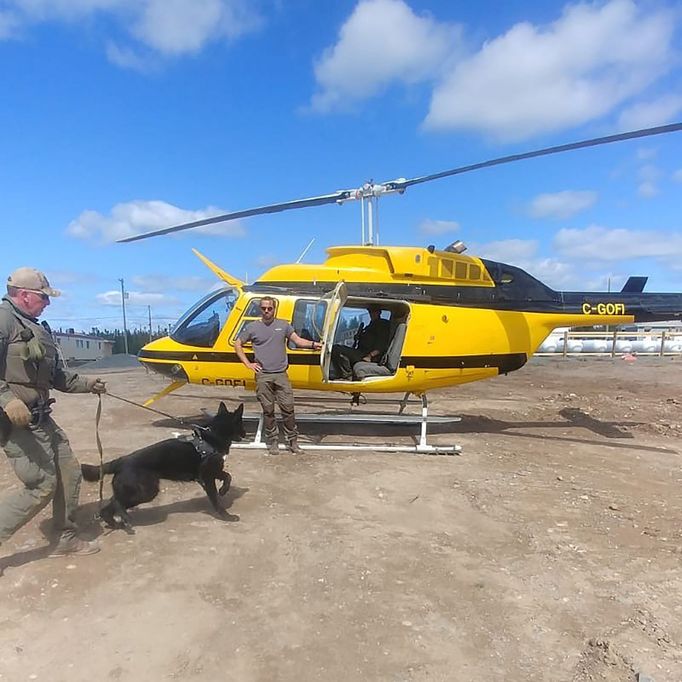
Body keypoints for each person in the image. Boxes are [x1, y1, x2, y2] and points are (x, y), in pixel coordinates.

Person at [0, 268, 107, 558]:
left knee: (69, 473)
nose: (48, 303)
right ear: (24, 295)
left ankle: (65, 538)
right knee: (41, 484)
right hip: (15, 423)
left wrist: (88, 384)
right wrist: (7, 399)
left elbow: (57, 376)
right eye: (43, 297)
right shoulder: (4, 320)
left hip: (40, 417)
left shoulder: (36, 327)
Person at [234, 296, 321, 455]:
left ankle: (293, 442)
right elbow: (237, 343)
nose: (266, 311)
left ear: (274, 309)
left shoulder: (283, 325)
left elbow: (298, 341)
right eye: (263, 308)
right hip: (263, 376)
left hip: (281, 374)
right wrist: (248, 364)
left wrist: (315, 345)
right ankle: (273, 441)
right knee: (268, 410)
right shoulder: (252, 327)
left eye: (269, 308)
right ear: (260, 309)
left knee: (288, 409)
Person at [331, 305, 391, 380]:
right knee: (336, 348)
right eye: (370, 312)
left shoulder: (382, 325)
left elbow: (382, 345)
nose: (372, 314)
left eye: (374, 311)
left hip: (367, 356)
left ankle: (348, 377)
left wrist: (370, 356)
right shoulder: (371, 324)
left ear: (379, 312)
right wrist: (359, 336)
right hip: (361, 352)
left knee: (337, 349)